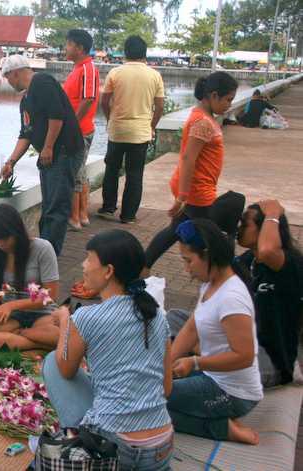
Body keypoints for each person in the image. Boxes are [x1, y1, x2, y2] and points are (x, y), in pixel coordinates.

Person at [43, 229, 173, 470]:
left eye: (89, 258)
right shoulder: (155, 314)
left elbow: (66, 369)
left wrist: (65, 321)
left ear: (108, 271)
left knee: (52, 362)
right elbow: (166, 388)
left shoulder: (86, 317)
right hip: (162, 446)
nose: (83, 265)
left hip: (115, 448)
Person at [168, 219, 262, 445]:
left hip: (233, 393)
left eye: (189, 261)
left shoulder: (231, 298)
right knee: (150, 386)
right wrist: (163, 364)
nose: (186, 268)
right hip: (213, 378)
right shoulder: (210, 284)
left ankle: (221, 427)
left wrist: (196, 362)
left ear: (208, 255)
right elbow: (191, 328)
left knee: (148, 404)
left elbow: (245, 356)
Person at [144, 72, 239, 270]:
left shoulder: (204, 117)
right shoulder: (202, 122)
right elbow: (188, 159)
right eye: (228, 99)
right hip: (197, 189)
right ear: (213, 96)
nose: (229, 104)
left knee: (176, 231)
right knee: (212, 236)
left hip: (196, 187)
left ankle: (143, 266)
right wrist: (183, 196)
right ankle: (222, 274)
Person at [0, 54, 84, 256]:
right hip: (50, 156)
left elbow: (57, 116)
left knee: (57, 208)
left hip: (63, 152)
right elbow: (26, 134)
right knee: (48, 206)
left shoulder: (42, 82)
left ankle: (49, 257)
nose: (8, 82)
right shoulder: (26, 99)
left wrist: (48, 147)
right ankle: (44, 252)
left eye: (7, 77)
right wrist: (11, 161)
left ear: (16, 73)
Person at [0, 204, 60, 350]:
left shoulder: (42, 249)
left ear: (16, 231)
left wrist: (11, 305)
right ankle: (37, 342)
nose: (0, 244)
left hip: (42, 314)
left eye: (4, 238)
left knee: (59, 333)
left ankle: (19, 337)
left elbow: (50, 295)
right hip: (10, 318)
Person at [98, 35, 165, 224]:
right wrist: (151, 126)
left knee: (112, 170)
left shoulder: (115, 73)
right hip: (140, 132)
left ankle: (108, 208)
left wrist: (110, 118)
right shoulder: (154, 75)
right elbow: (159, 107)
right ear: (145, 53)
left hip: (117, 130)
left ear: (126, 52)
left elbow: (104, 101)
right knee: (135, 174)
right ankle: (128, 215)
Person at [236, 200, 303, 387]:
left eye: (245, 223)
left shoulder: (289, 265)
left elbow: (267, 250)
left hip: (271, 360)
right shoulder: (249, 260)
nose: (240, 228)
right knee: (176, 319)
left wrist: (273, 212)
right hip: (243, 346)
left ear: (264, 228)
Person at [62, 29, 100, 232]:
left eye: (68, 44)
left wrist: (72, 125)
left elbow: (88, 98)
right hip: (79, 129)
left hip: (80, 131)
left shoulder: (87, 69)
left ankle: (74, 217)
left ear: (79, 48)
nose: (65, 48)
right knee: (81, 172)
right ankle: (82, 215)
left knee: (75, 173)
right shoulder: (78, 69)